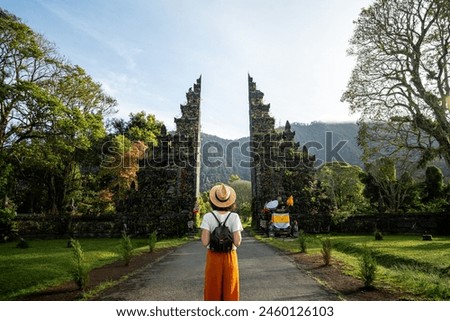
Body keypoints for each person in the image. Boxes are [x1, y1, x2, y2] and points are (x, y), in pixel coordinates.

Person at [200, 183, 243, 301]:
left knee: (212, 288)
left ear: (213, 201)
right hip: (230, 256)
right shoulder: (234, 217)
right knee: (230, 288)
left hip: (213, 256)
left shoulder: (208, 217)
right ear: (230, 201)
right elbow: (237, 242)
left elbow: (204, 242)